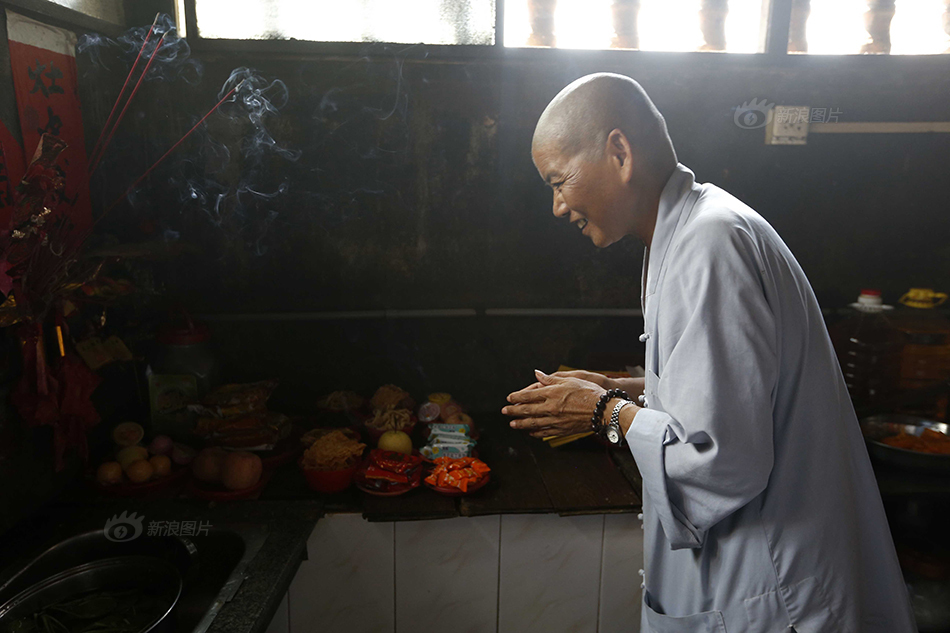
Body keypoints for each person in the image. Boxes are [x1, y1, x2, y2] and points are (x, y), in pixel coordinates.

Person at [502, 73, 916, 632]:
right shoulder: (689, 231)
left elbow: (724, 459)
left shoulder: (710, 245)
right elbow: (731, 392)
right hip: (758, 574)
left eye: (559, 181)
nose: (557, 206)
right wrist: (622, 390)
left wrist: (602, 414)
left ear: (619, 152)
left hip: (775, 587)